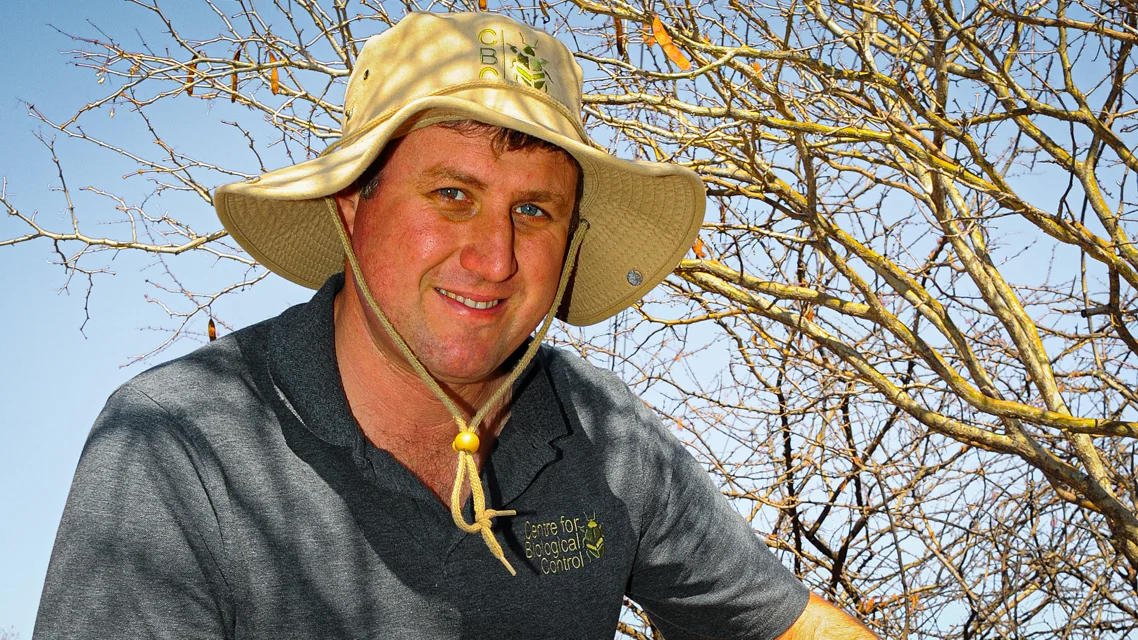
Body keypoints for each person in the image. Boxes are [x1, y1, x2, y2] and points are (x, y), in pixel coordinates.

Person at [34, 11, 876, 640]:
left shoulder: (601, 434)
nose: (496, 258)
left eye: (535, 210)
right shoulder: (180, 441)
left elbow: (790, 624)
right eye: (451, 196)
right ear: (350, 204)